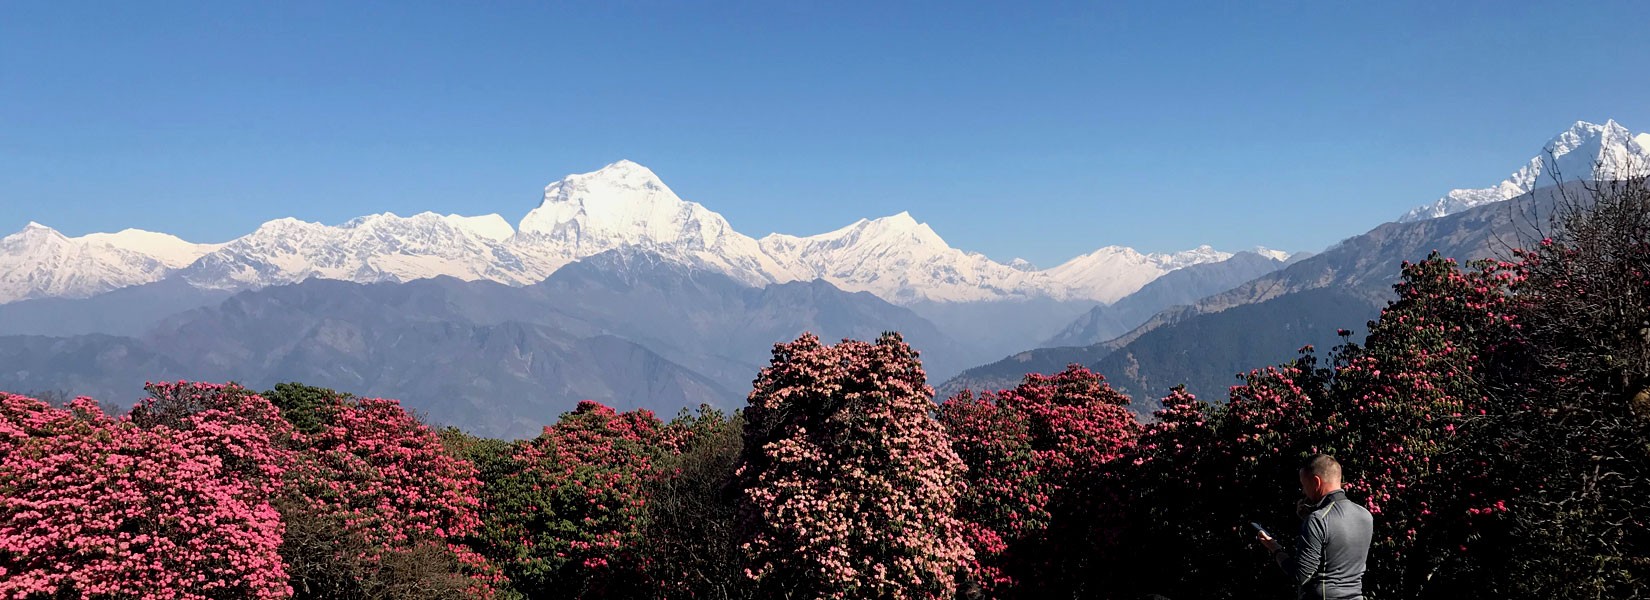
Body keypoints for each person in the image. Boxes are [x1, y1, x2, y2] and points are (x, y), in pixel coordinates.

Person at [1256, 454, 1373, 600]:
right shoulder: (1365, 515)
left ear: (1316, 482)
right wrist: (1306, 519)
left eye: (1304, 485)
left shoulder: (1318, 520)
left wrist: (1274, 547)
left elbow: (1301, 575)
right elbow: (1335, 548)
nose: (1304, 491)